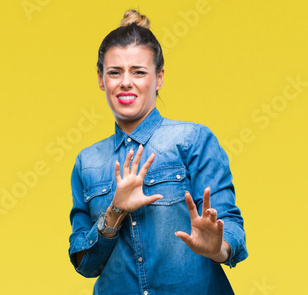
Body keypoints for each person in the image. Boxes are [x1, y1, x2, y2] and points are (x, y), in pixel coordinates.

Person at [68, 10, 248, 294]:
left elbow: (231, 227)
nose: (126, 82)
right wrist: (115, 212)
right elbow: (85, 264)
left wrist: (218, 248)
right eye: (115, 72)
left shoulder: (193, 140)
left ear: (159, 77)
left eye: (138, 72)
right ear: (101, 80)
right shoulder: (87, 163)